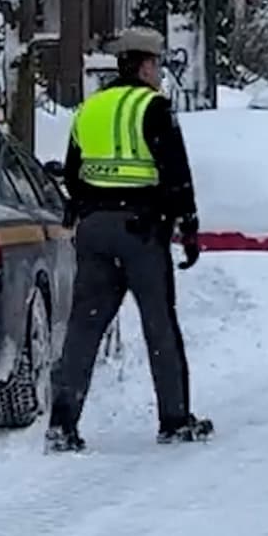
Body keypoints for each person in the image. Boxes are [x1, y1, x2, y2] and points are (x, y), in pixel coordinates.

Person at [45, 26, 213, 453]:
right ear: (144, 64)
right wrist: (188, 225)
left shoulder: (89, 109)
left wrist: (82, 213)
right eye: (156, 65)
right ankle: (174, 420)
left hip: (95, 229)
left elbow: (73, 169)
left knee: (84, 327)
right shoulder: (153, 107)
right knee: (159, 324)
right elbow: (175, 171)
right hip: (141, 230)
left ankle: (62, 425)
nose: (159, 73)